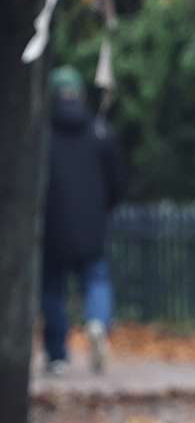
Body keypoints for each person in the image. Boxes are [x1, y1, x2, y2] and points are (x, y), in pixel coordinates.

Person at [41, 66, 125, 376]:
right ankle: (97, 322)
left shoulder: (43, 134)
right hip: (92, 224)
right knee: (97, 280)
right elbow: (117, 182)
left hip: (54, 226)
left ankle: (57, 355)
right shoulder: (99, 131)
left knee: (53, 290)